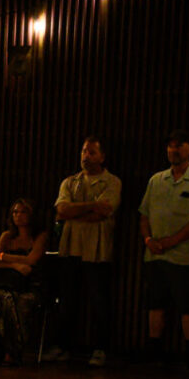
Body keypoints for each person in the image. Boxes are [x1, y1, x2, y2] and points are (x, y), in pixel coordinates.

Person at [138, 130, 189, 368]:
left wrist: (172, 241)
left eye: (178, 146)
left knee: (187, 306)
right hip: (155, 255)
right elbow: (144, 214)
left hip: (185, 257)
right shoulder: (156, 179)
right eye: (170, 146)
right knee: (155, 304)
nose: (174, 150)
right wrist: (149, 239)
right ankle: (153, 351)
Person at [53, 136, 122, 366]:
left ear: (102, 156)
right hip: (71, 247)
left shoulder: (112, 182)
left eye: (92, 152)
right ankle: (63, 346)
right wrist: (90, 206)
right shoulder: (70, 182)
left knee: (99, 300)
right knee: (67, 300)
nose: (86, 156)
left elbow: (105, 210)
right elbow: (61, 210)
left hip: (97, 249)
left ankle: (101, 348)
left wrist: (76, 212)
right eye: (84, 151)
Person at [0, 199, 47, 366]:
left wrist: (3, 257)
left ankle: (6, 349)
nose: (18, 216)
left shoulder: (40, 236)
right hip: (6, 283)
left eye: (23, 212)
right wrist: (15, 264)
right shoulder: (7, 236)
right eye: (15, 212)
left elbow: (31, 260)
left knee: (6, 299)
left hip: (29, 286)